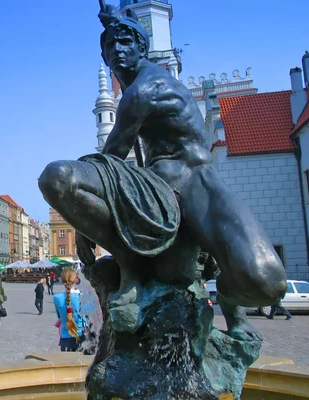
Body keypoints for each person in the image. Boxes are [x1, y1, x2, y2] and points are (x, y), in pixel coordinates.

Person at [38, 1, 286, 341]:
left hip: (196, 181)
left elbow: (111, 156)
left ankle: (229, 308)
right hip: (158, 185)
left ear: (143, 48)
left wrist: (84, 229)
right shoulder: (135, 87)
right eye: (110, 46)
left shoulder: (144, 89)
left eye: (126, 43)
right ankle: (130, 267)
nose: (117, 51)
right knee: (55, 178)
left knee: (268, 282)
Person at [53, 269, 83, 352]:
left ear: (62, 281)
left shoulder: (56, 297)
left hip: (65, 338)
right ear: (76, 280)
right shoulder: (82, 296)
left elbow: (59, 316)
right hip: (81, 337)